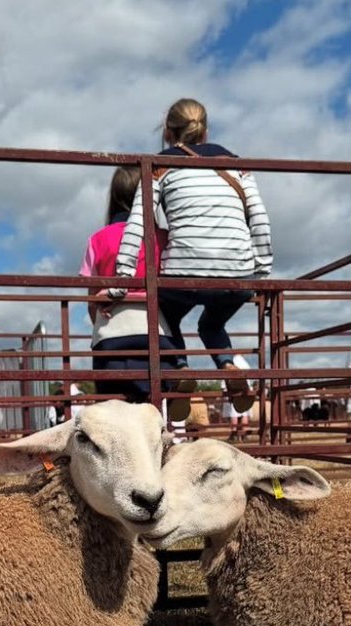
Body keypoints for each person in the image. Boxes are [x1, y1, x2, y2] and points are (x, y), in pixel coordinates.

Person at [115, 98, 272, 415]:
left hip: (184, 275)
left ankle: (181, 370)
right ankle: (227, 365)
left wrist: (122, 276)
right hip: (238, 275)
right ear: (206, 130)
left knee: (165, 316)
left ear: (168, 132)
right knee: (211, 325)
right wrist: (262, 274)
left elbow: (138, 222)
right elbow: (259, 218)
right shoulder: (237, 164)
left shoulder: (159, 165)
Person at [81, 167, 179, 411]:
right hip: (157, 333)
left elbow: (91, 301)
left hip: (110, 337)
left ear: (115, 197)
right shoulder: (164, 238)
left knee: (112, 415)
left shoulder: (98, 239)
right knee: (153, 413)